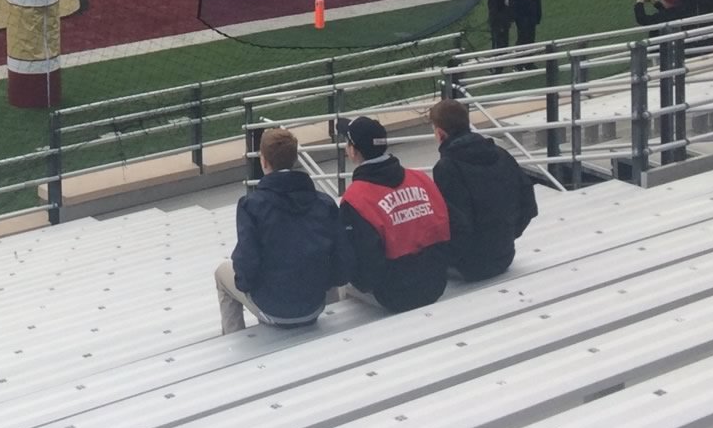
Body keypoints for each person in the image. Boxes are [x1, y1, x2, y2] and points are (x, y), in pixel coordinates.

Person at [215, 126, 352, 335]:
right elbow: (341, 259)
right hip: (315, 303)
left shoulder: (251, 206)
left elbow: (246, 264)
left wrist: (248, 285)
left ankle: (234, 339)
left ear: (263, 160)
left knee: (221, 274)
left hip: (273, 306)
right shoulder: (323, 203)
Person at [337, 116, 449, 312]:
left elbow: (365, 269)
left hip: (394, 295)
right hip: (436, 282)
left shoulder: (355, 199)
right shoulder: (421, 179)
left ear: (353, 151)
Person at [428, 100, 537, 282]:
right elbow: (528, 203)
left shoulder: (447, 168)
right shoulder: (501, 154)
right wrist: (507, 235)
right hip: (504, 254)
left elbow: (457, 224)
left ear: (440, 134)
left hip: (470, 265)